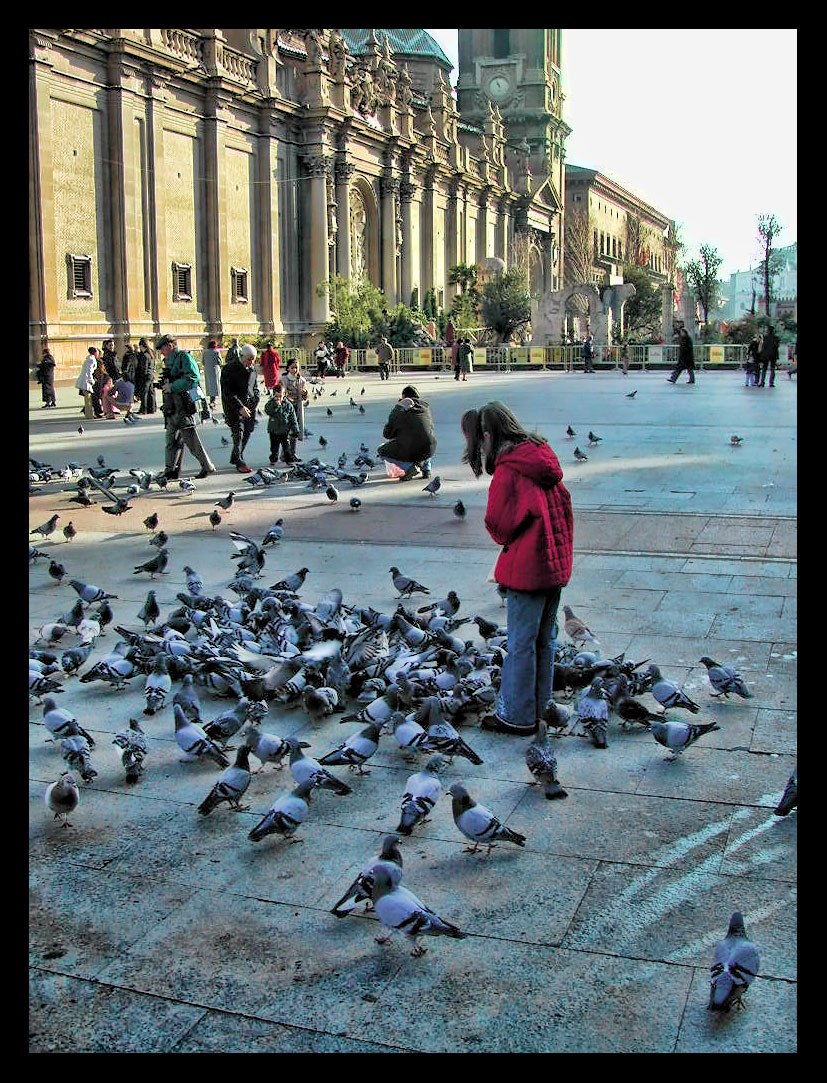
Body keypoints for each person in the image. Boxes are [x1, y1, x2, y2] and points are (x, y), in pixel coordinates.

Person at [461, 401, 573, 736]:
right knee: (544, 640)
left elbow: (499, 526)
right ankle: (541, 707)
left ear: (487, 435)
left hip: (528, 568)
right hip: (555, 566)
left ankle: (517, 718)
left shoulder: (510, 471)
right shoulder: (542, 457)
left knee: (521, 643)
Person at [156, 333, 216, 480]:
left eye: (162, 348)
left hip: (184, 406)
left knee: (191, 440)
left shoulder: (184, 358)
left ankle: (207, 466)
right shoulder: (169, 361)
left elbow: (193, 379)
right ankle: (170, 470)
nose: (161, 352)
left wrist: (173, 386)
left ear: (170, 346)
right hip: (172, 407)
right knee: (171, 440)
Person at [377, 384, 437, 481]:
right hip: (430, 448)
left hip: (411, 448)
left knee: (382, 451)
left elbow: (387, 434)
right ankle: (426, 468)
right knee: (424, 439)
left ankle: (409, 467)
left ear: (403, 397)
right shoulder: (425, 408)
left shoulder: (399, 410)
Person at [220, 343, 260, 473]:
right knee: (238, 433)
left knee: (248, 431)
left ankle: (236, 456)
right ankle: (239, 462)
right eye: (249, 359)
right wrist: (240, 407)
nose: (251, 362)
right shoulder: (229, 369)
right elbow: (227, 392)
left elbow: (255, 387)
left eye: (253, 359)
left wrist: (255, 401)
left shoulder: (253, 369)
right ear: (242, 356)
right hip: (234, 406)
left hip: (250, 406)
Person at [278, 358, 309, 461]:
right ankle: (284, 454)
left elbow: (305, 397)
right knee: (286, 432)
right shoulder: (284, 379)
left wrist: (305, 394)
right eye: (292, 367)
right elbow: (280, 392)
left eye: (296, 367)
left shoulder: (301, 380)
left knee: (295, 431)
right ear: (288, 368)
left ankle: (293, 453)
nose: (295, 370)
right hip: (286, 409)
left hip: (297, 408)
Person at [264, 382, 300, 464]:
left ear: (284, 395)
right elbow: (268, 411)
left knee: (286, 447)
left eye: (280, 396)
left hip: (284, 430)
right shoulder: (271, 403)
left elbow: (293, 418)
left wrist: (295, 429)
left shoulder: (288, 405)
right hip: (274, 430)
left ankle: (288, 460)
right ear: (273, 395)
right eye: (276, 396)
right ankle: (273, 458)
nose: (278, 398)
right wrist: (275, 405)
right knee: (274, 447)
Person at [135, 338, 157, 414]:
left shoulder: (145, 356)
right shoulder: (151, 354)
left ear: (141, 346)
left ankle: (143, 409)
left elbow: (144, 368)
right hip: (150, 374)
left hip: (145, 375)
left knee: (144, 392)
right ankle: (152, 408)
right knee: (151, 392)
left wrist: (141, 377)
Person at [75, 347, 97, 419]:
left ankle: (89, 414)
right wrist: (91, 380)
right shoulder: (91, 359)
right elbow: (89, 370)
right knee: (88, 399)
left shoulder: (88, 359)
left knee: (87, 399)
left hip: (85, 380)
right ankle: (89, 415)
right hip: (86, 381)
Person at [202, 339, 222, 408]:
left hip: (207, 370)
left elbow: (203, 362)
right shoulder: (216, 352)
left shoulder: (205, 352)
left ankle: (211, 400)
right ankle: (213, 401)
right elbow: (220, 362)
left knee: (209, 385)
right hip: (215, 370)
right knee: (215, 385)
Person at [93, 353, 111, 419]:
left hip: (100, 387)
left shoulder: (102, 374)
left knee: (96, 397)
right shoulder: (101, 373)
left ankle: (99, 411)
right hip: (98, 387)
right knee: (96, 397)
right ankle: (100, 411)